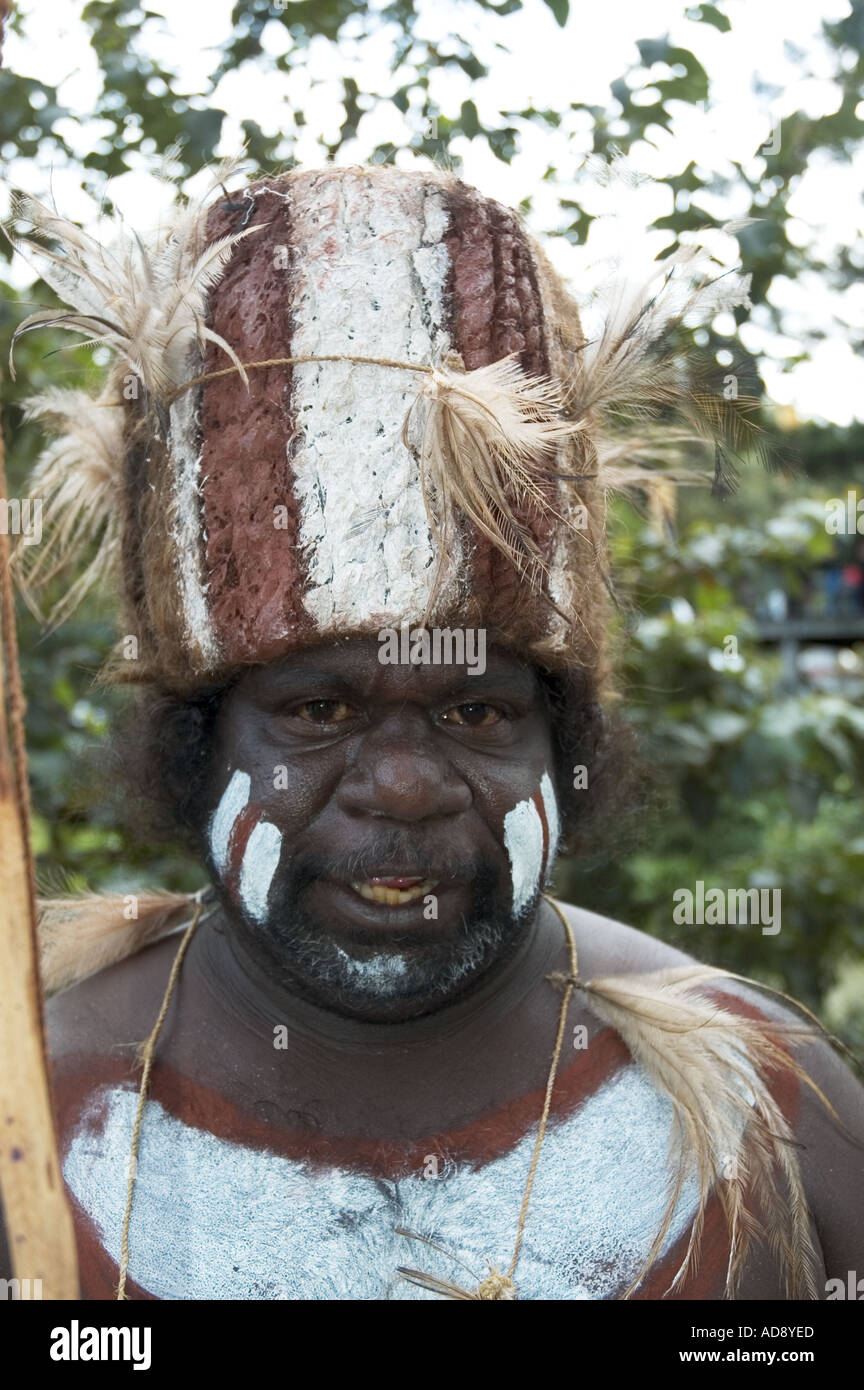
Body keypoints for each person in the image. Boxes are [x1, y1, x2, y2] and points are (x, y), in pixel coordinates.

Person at [1, 162, 862, 1301]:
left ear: (564, 743)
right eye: (317, 709)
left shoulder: (773, 1116)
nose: (404, 785)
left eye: (475, 710)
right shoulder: (30, 1097)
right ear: (195, 745)